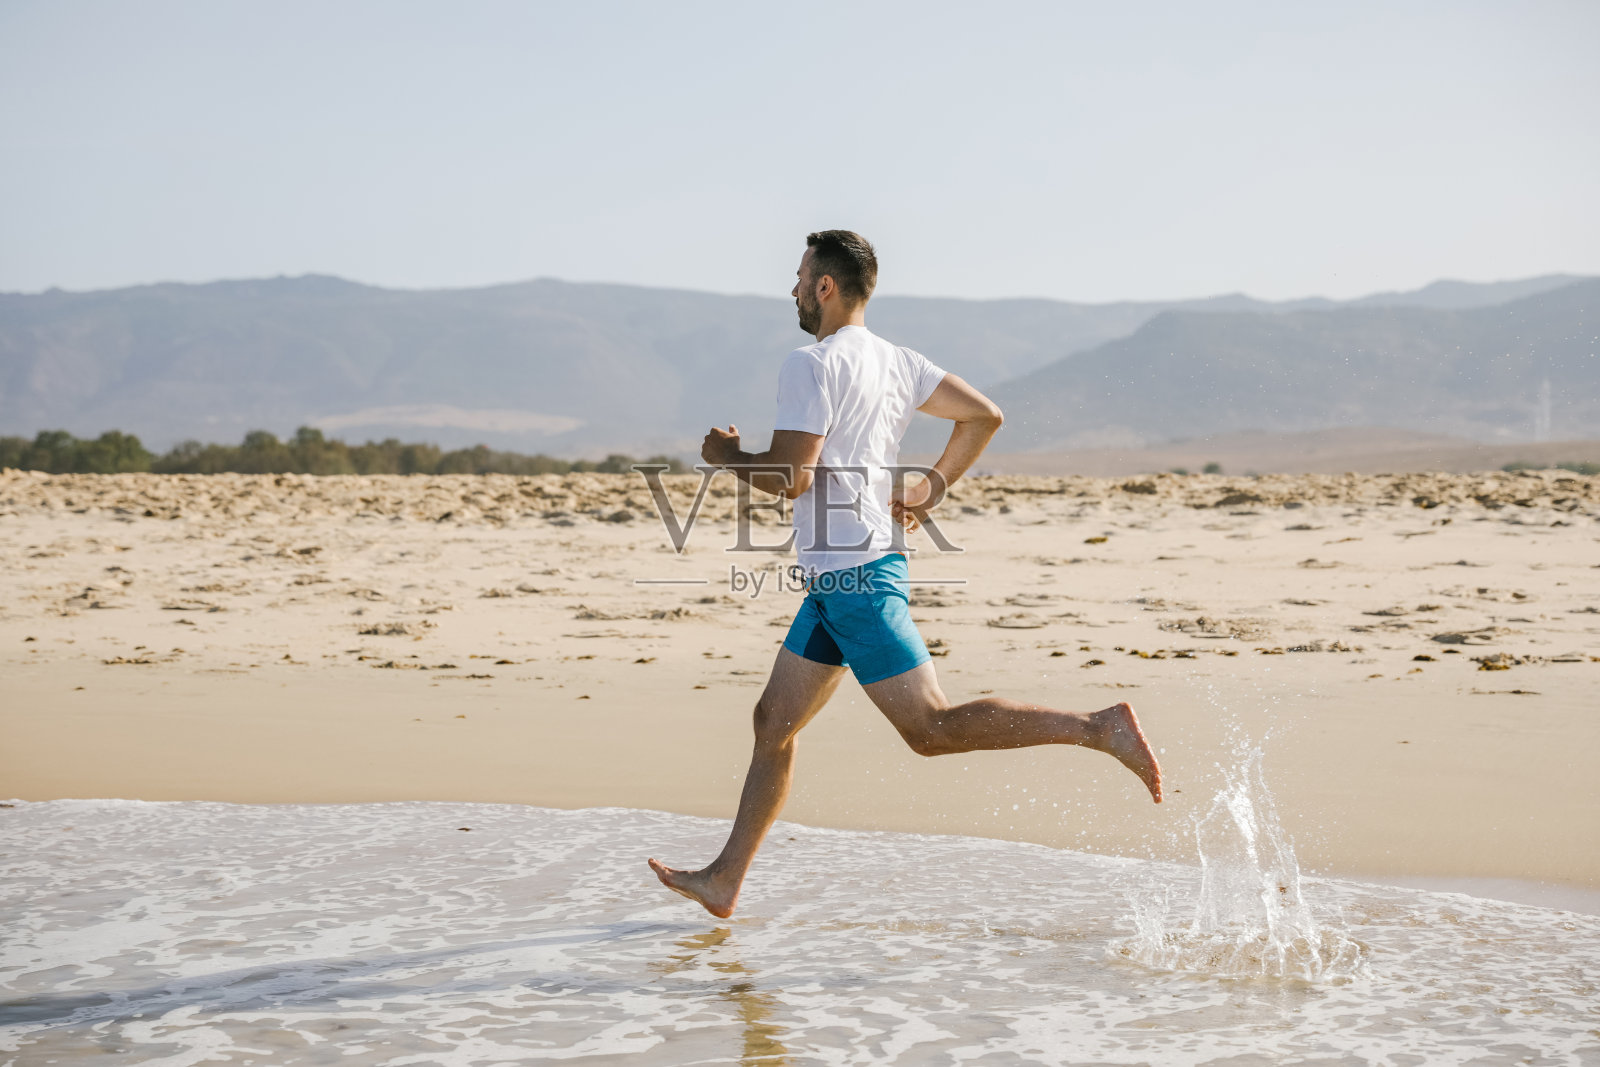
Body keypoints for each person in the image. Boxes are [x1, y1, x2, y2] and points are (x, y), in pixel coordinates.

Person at [648, 231, 1161, 918]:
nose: (795, 288)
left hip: (855, 574)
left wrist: (728, 455)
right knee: (773, 721)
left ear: (826, 286)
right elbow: (984, 416)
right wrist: (932, 490)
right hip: (842, 577)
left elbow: (792, 477)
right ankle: (724, 880)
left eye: (801, 276)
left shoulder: (811, 363)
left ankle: (1099, 727)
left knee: (931, 727)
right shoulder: (898, 362)